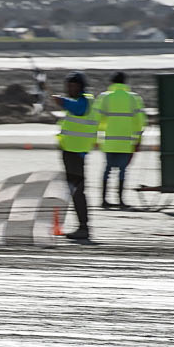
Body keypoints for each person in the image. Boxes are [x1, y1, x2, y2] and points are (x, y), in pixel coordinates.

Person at [52, 71, 99, 241]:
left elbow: (78, 109)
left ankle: (83, 228)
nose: (70, 89)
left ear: (81, 87)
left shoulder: (84, 101)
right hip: (71, 152)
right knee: (75, 191)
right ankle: (82, 226)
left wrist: (62, 101)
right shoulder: (81, 101)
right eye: (69, 86)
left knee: (78, 191)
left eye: (74, 86)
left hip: (75, 154)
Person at [93, 72, 146, 210]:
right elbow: (140, 122)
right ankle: (121, 200)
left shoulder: (105, 97)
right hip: (126, 142)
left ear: (112, 83)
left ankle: (103, 200)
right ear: (125, 83)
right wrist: (138, 140)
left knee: (107, 170)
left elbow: (96, 120)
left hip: (109, 141)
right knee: (123, 170)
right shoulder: (134, 98)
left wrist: (95, 138)